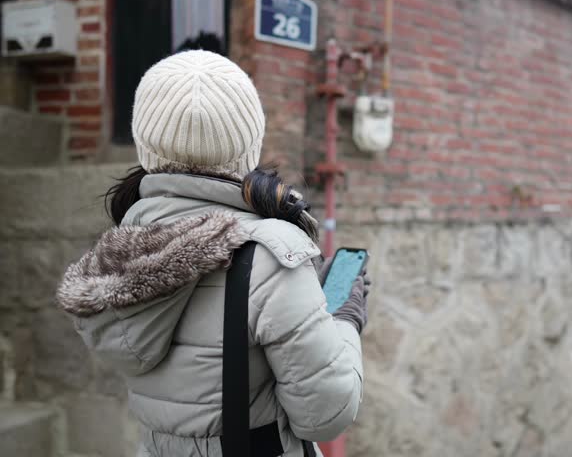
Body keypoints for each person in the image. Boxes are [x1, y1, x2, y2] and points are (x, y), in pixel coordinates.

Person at [55, 50, 368, 457]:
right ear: (248, 144)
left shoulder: (122, 255)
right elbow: (326, 413)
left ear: (145, 143)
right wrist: (344, 319)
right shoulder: (272, 254)